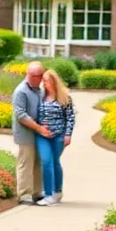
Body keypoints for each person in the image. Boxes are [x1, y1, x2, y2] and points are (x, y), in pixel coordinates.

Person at [11, 61, 51, 204]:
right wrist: (39, 128)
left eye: (40, 76)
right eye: (35, 76)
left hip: (37, 133)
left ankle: (36, 192)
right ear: (29, 75)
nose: (38, 79)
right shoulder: (21, 91)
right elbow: (21, 115)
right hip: (25, 134)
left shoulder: (37, 90)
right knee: (26, 163)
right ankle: (23, 194)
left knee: (38, 163)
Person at [34, 69, 75, 206]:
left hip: (59, 136)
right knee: (46, 161)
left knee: (55, 161)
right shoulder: (40, 96)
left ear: (54, 81)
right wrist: (39, 126)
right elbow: (35, 114)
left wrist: (68, 134)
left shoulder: (65, 97)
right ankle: (48, 194)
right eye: (43, 80)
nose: (44, 83)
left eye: (47, 80)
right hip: (43, 135)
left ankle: (58, 192)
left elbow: (70, 117)